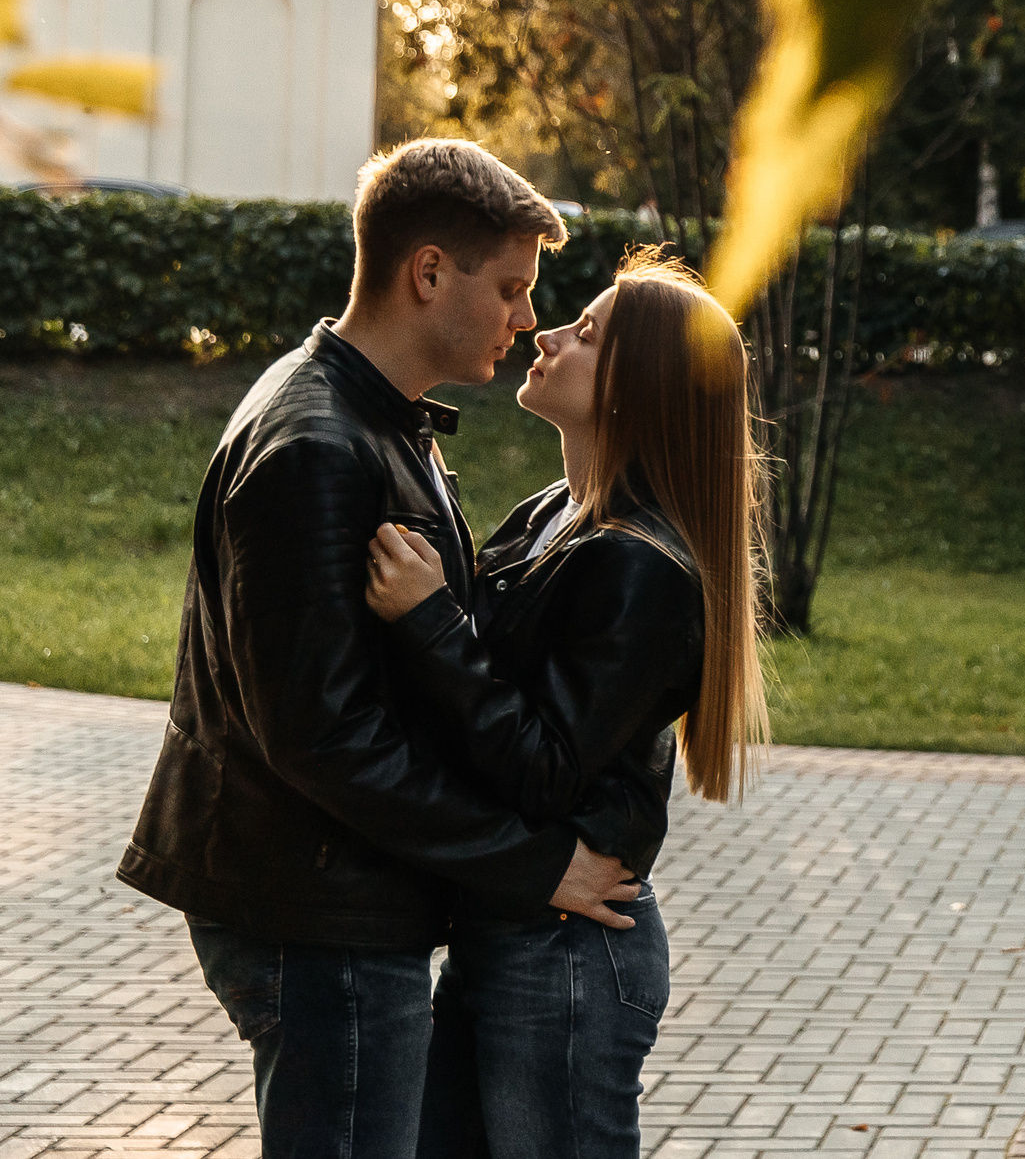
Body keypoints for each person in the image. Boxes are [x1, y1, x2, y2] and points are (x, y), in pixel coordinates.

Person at [118, 138, 642, 1158]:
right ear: (428, 272)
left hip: (341, 900)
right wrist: (535, 864)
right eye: (511, 288)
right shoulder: (317, 445)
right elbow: (324, 738)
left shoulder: (373, 419)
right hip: (319, 915)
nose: (526, 318)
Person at [362, 250, 769, 1157]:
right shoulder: (556, 513)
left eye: (586, 333)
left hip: (569, 960)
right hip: (509, 932)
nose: (547, 332)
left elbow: (544, 765)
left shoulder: (640, 567)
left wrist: (429, 622)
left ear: (640, 385)